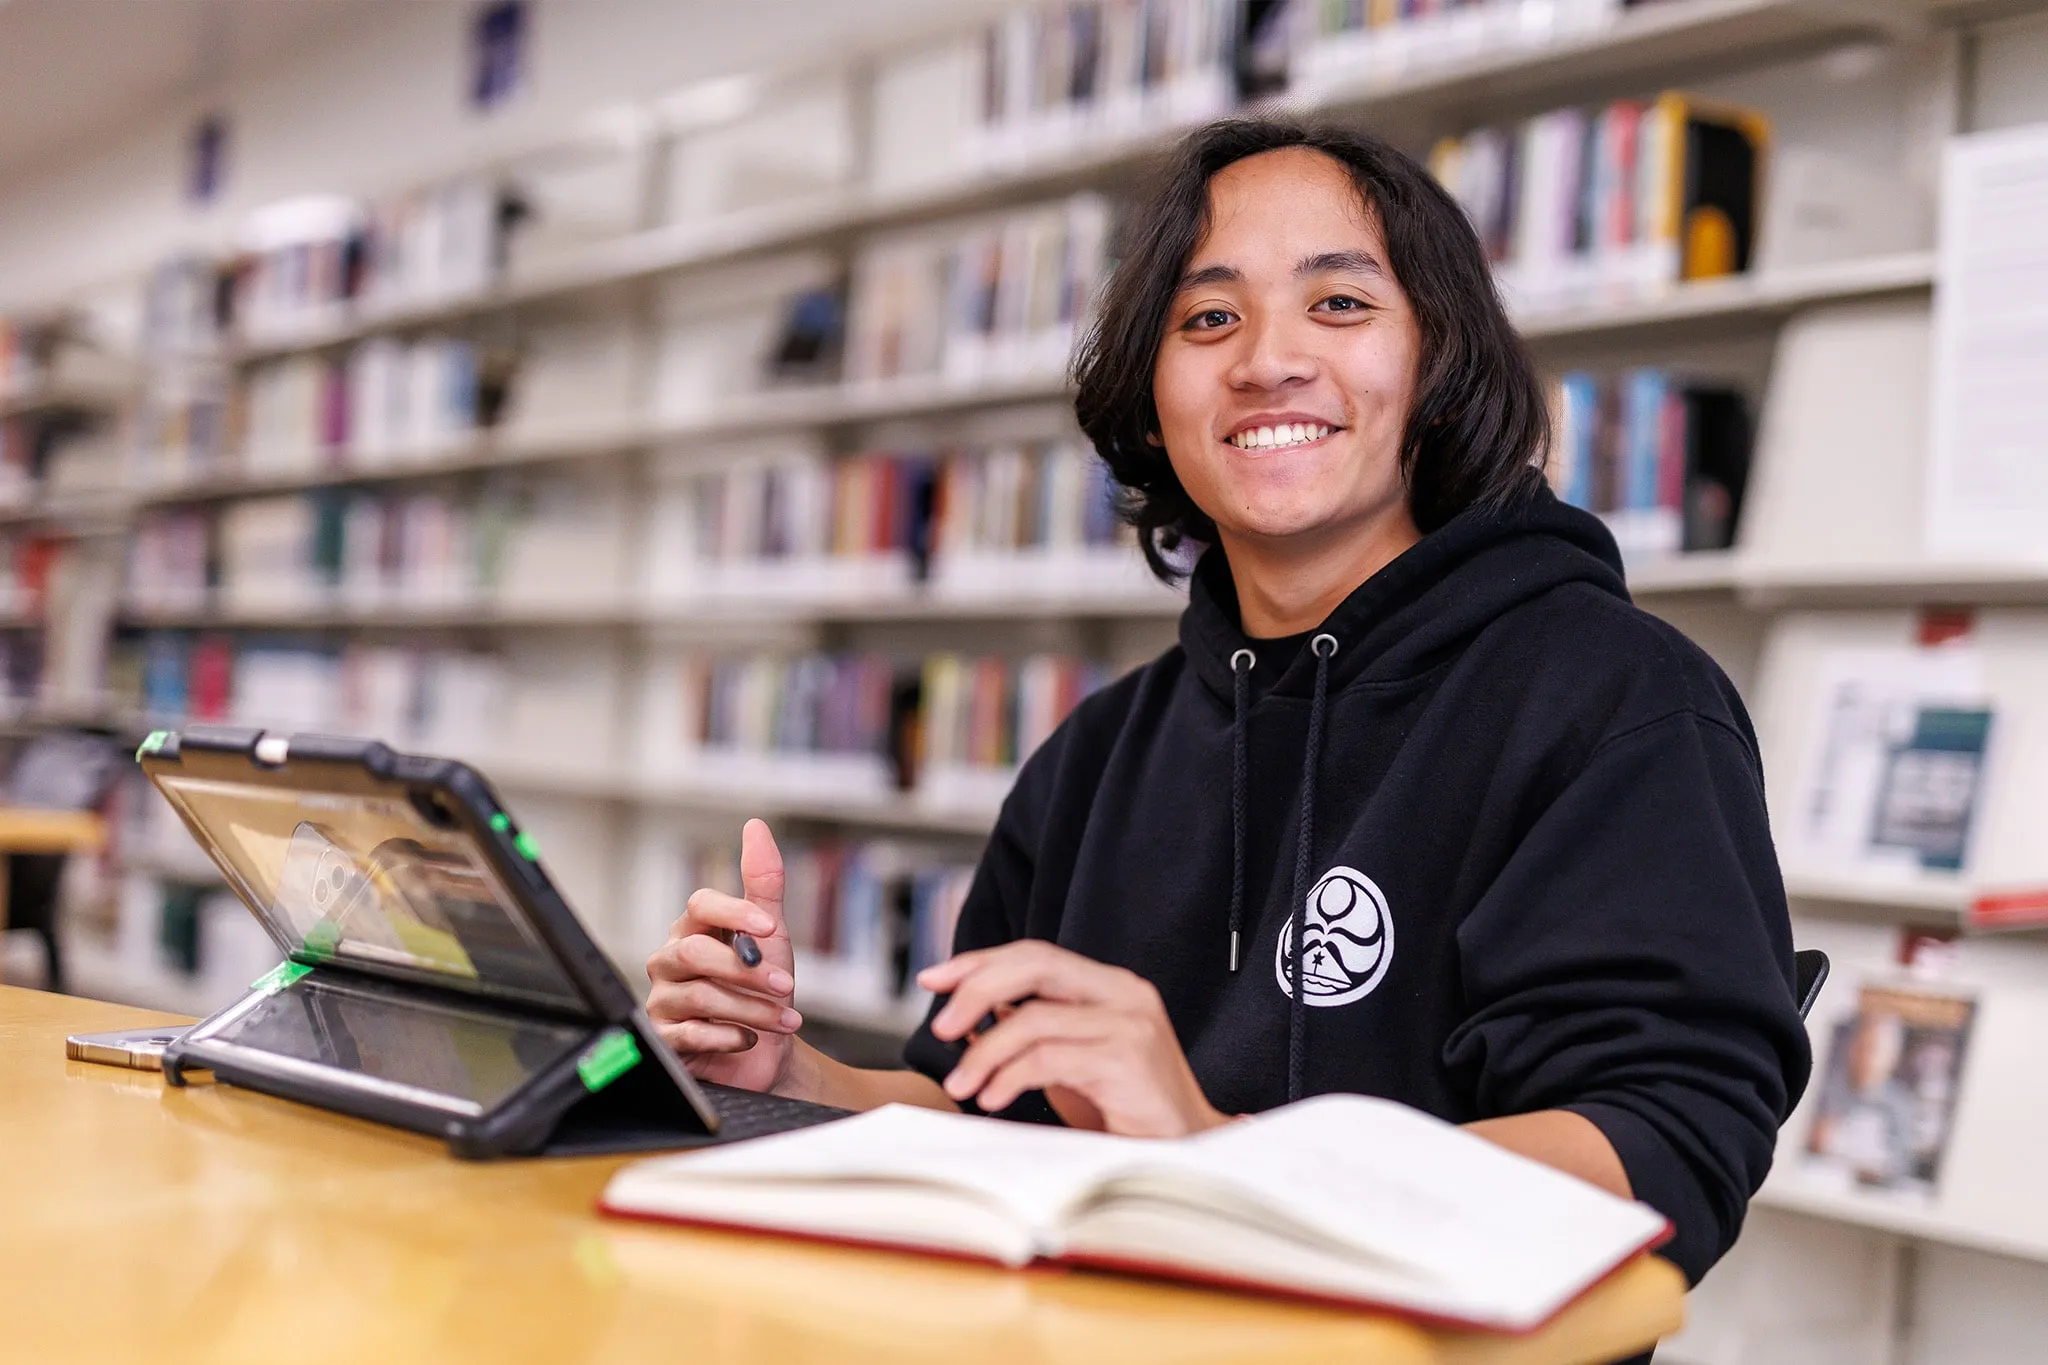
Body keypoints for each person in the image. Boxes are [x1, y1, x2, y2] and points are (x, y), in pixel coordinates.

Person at [645, 117, 1812, 1290]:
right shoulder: (1098, 753)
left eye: (1340, 304)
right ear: (1151, 402)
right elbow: (978, 1107)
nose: (1265, 359)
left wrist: (1215, 1158)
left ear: (1440, 368)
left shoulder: (1611, 701)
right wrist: (791, 1080)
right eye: (1208, 318)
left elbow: (1657, 1152)